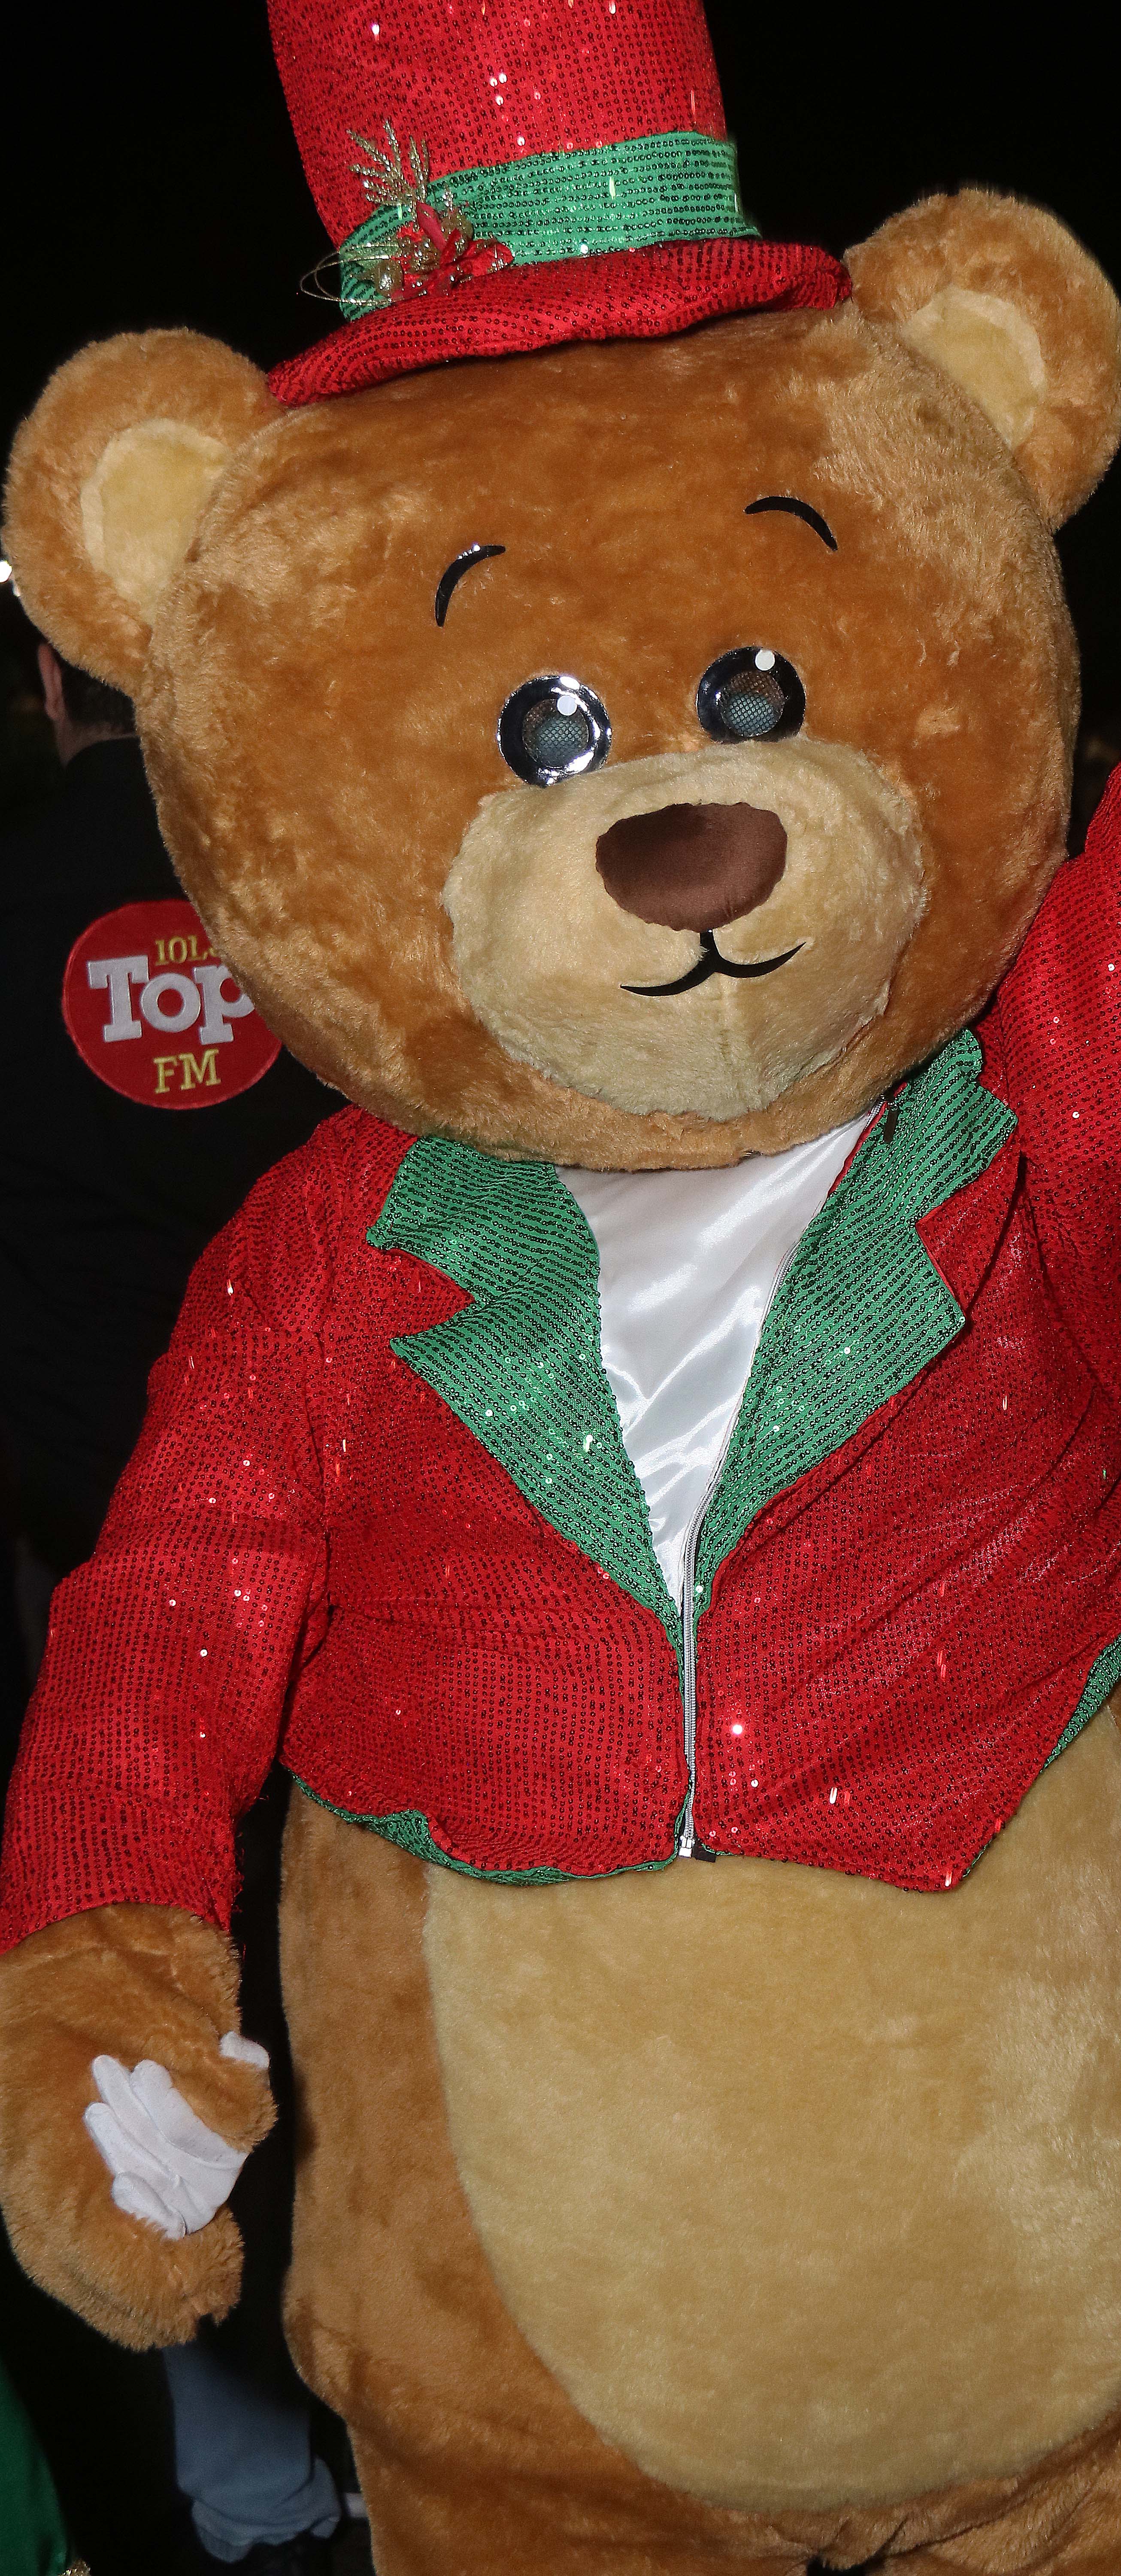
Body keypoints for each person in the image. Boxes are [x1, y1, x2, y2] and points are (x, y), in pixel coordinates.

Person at [0, 642, 339, 2567]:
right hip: (354, 1535)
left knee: (151, 1979)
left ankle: (249, 2479)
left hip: (108, 1552)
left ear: (53, 670)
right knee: (376, 1957)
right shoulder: (310, 870)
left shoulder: (9, 900)